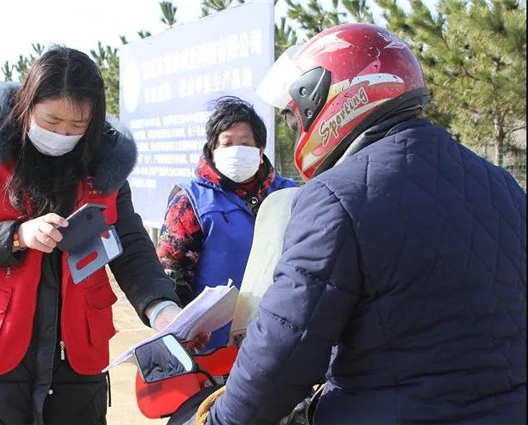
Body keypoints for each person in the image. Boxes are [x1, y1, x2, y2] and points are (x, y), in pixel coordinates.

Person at [190, 23, 526, 425]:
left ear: (336, 97)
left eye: (296, 119)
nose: (296, 129)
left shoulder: (336, 196)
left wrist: (219, 420)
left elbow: (284, 351)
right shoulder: (501, 183)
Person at [0, 46, 185, 425]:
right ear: (26, 106)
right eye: (52, 120)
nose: (63, 133)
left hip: (76, 363)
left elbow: (131, 246)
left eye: (77, 126)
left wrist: (160, 306)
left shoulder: (105, 169)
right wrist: (17, 236)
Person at [157, 96, 296, 351]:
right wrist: (182, 331)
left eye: (245, 143)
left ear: (260, 150)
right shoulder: (190, 201)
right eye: (227, 143)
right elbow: (172, 274)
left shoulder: (288, 194)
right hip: (212, 348)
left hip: (280, 344)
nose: (236, 150)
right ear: (212, 149)